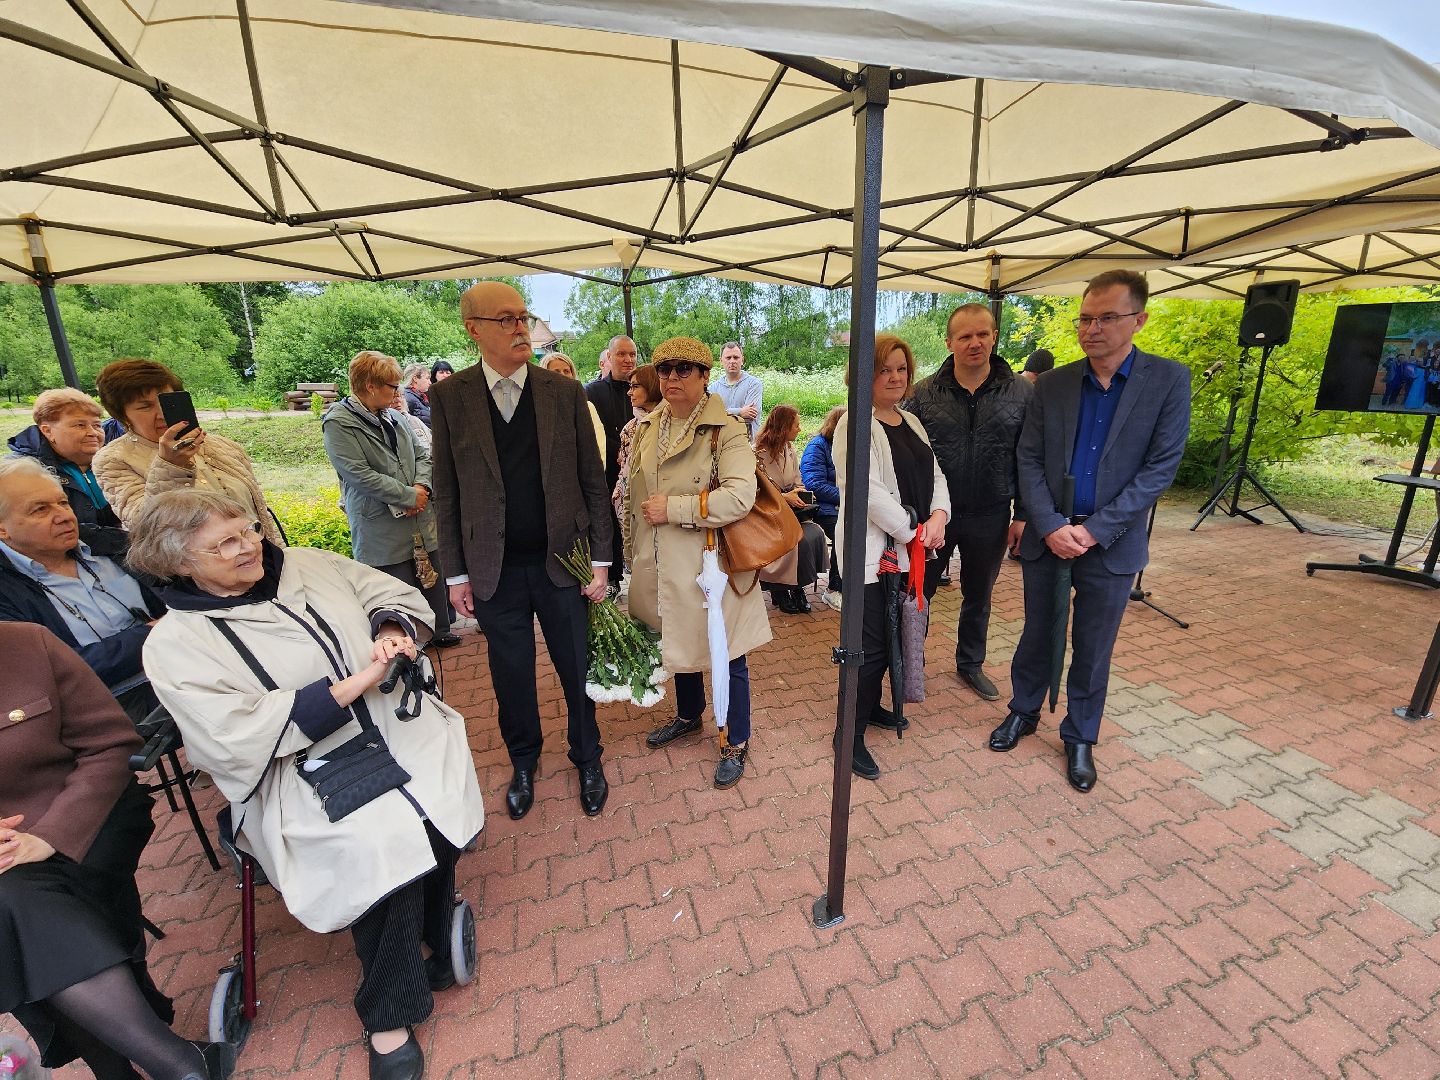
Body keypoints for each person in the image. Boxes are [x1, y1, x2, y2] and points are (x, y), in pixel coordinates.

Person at [129, 490, 484, 1080]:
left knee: (438, 793)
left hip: (398, 728)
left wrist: (392, 628)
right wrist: (352, 685)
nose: (247, 546)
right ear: (180, 565)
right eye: (223, 544)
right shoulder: (174, 644)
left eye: (244, 530)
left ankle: (434, 922)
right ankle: (388, 1014)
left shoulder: (308, 564)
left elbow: (387, 592)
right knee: (380, 847)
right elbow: (229, 736)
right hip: (302, 770)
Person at [0, 621, 235, 1080]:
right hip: (11, 866)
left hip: (90, 815)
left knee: (17, 910)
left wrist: (49, 835)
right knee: (15, 903)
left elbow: (111, 744)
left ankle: (129, 1069)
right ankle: (179, 1065)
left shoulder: (27, 644)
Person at [995, 269, 1190, 793]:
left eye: (1107, 317)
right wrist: (1052, 524)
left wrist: (1096, 529)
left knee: (1093, 643)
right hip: (1049, 536)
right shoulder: (1055, 384)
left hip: (1113, 542)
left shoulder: (1167, 381)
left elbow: (1159, 468)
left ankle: (1080, 735)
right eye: (1085, 318)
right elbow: (1028, 459)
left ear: (1139, 320)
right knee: (1038, 632)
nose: (1093, 328)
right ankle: (1024, 710)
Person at [433, 282, 612, 821]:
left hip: (564, 563)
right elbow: (447, 490)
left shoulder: (563, 393)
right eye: (506, 318)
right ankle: (524, 761)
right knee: (510, 673)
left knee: (577, 667)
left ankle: (588, 757)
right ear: (474, 330)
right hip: (494, 571)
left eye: (523, 316)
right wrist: (455, 574)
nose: (519, 327)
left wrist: (601, 561)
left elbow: (592, 481)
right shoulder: (450, 398)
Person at [625, 337, 771, 789]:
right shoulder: (649, 427)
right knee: (677, 638)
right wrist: (634, 554)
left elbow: (740, 496)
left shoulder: (724, 429)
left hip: (713, 564)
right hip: (662, 559)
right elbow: (634, 494)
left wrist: (675, 509)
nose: (671, 378)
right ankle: (689, 715)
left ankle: (736, 739)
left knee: (729, 652)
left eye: (684, 370)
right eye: (664, 369)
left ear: (706, 376)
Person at [834, 335, 950, 780]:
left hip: (915, 551)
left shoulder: (911, 422)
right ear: (863, 374)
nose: (895, 377)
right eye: (884, 369)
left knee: (895, 636)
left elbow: (936, 472)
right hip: (874, 556)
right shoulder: (853, 423)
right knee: (869, 647)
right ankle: (849, 735)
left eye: (901, 368)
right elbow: (864, 491)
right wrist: (914, 532)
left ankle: (875, 707)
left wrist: (939, 516)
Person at [905, 303, 1031, 701]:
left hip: (992, 513)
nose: (974, 342)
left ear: (994, 336)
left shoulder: (1022, 393)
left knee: (979, 593)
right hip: (935, 515)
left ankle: (970, 663)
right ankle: (911, 663)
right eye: (965, 336)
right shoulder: (923, 394)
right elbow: (904, 451)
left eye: (982, 334)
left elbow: (1031, 456)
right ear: (950, 342)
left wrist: (1023, 514)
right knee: (920, 592)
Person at [0, 457, 165, 719]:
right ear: (3, 529)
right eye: (40, 510)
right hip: (99, 710)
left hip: (175, 671)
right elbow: (53, 672)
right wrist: (155, 633)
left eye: (63, 502)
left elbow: (177, 593)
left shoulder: (108, 544)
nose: (64, 516)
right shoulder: (7, 592)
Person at [324, 351, 460, 650]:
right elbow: (358, 474)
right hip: (381, 522)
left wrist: (422, 486)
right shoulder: (339, 423)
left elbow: (424, 454)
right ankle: (409, 641)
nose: (397, 392)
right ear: (370, 385)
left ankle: (439, 629)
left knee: (432, 575)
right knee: (396, 583)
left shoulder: (395, 417)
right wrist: (408, 495)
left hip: (419, 513)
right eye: (391, 386)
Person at [91, 359, 283, 546]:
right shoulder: (113, 459)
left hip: (256, 556)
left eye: (167, 401)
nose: (162, 414)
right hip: (190, 573)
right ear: (122, 415)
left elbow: (259, 511)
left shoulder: (223, 446)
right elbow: (144, 526)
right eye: (145, 406)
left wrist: (279, 553)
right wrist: (170, 466)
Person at [7, 389, 127, 556]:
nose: (92, 432)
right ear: (47, 431)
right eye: (80, 425)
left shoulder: (113, 461)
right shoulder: (23, 474)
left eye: (97, 425)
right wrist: (131, 540)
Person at [752, 405, 826, 615]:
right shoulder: (758, 453)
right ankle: (782, 589)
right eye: (796, 425)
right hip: (766, 513)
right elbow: (756, 491)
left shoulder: (788, 448)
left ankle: (796, 587)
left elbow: (795, 479)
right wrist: (784, 497)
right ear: (784, 428)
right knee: (796, 540)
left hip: (788, 511)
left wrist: (799, 491)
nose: (800, 430)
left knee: (813, 535)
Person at [585, 336, 638, 577]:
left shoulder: (646, 389)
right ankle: (613, 575)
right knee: (608, 524)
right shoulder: (592, 392)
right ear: (609, 357)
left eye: (632, 354)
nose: (628, 360)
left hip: (637, 471)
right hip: (607, 473)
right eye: (621, 354)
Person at [800, 406, 845, 612]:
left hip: (845, 505)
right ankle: (834, 589)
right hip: (823, 507)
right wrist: (847, 497)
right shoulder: (818, 446)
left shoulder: (848, 445)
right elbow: (813, 484)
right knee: (843, 533)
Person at [611, 363, 662, 524]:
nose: (629, 392)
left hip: (665, 505)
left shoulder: (674, 422)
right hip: (633, 508)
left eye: (635, 386)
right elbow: (625, 470)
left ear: (651, 385)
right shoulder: (630, 428)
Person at [544, 352, 606, 457]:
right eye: (556, 371)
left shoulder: (587, 408)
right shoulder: (540, 408)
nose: (562, 375)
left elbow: (599, 448)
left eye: (566, 371)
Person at [709, 341, 763, 441]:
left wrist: (722, 413)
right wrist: (740, 411)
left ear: (742, 360)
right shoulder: (713, 388)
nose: (732, 361)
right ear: (721, 361)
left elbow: (750, 416)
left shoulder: (754, 384)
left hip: (747, 443)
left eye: (736, 357)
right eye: (728, 358)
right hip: (721, 443)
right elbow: (711, 416)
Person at [390, 387, 432, 453]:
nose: (398, 400)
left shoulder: (414, 421)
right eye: (393, 396)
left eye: (401, 396)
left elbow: (432, 443)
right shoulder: (385, 426)